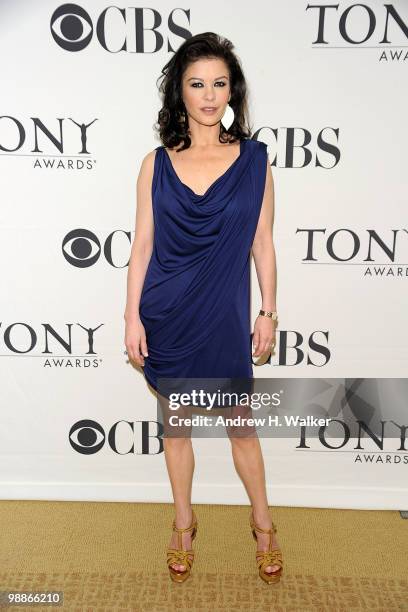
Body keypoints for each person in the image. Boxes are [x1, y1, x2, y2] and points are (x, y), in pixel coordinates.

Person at [124, 32, 283, 584]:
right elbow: (142, 246)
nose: (209, 96)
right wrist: (131, 317)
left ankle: (264, 527)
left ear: (231, 91)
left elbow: (262, 241)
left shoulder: (256, 159)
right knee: (177, 428)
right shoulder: (156, 164)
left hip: (224, 315)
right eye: (197, 84)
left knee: (241, 427)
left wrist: (268, 311)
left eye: (219, 84)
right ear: (180, 93)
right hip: (166, 311)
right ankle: (183, 526)